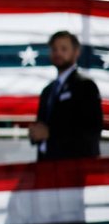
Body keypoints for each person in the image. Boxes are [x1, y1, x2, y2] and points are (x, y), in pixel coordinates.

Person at [29, 31, 103, 161]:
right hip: (46, 165)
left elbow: (91, 130)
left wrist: (50, 133)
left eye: (63, 49)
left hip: (74, 167)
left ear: (76, 52)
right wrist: (35, 133)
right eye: (54, 49)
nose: (58, 53)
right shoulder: (48, 90)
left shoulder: (85, 86)